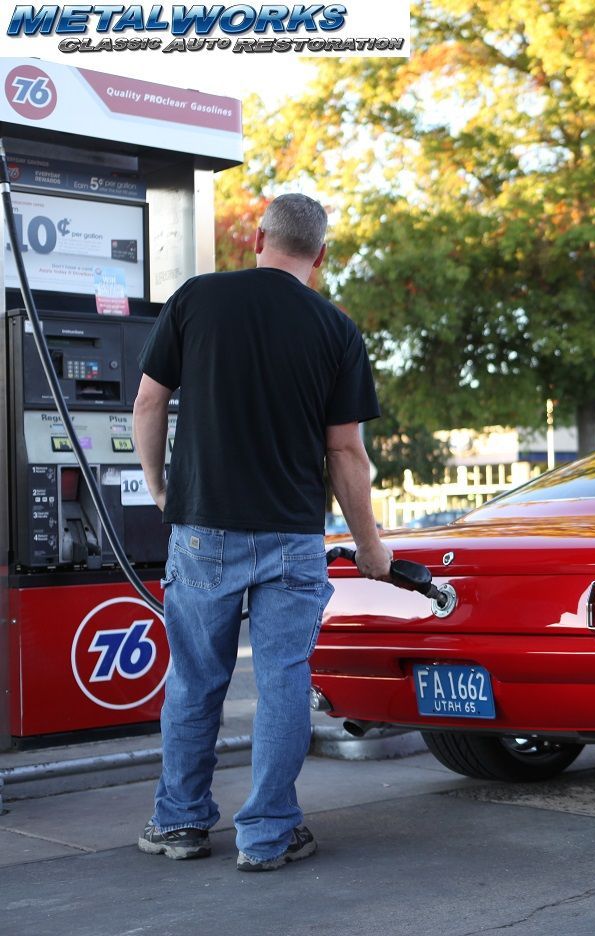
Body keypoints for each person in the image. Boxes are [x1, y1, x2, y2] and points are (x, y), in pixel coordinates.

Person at [131, 193, 393, 872]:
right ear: (321, 256)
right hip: (292, 536)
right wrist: (370, 545)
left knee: (194, 681)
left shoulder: (196, 300)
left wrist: (164, 491)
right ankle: (267, 834)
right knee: (282, 682)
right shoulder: (336, 330)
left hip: (203, 528)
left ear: (258, 238)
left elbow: (148, 402)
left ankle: (181, 823)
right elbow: (345, 455)